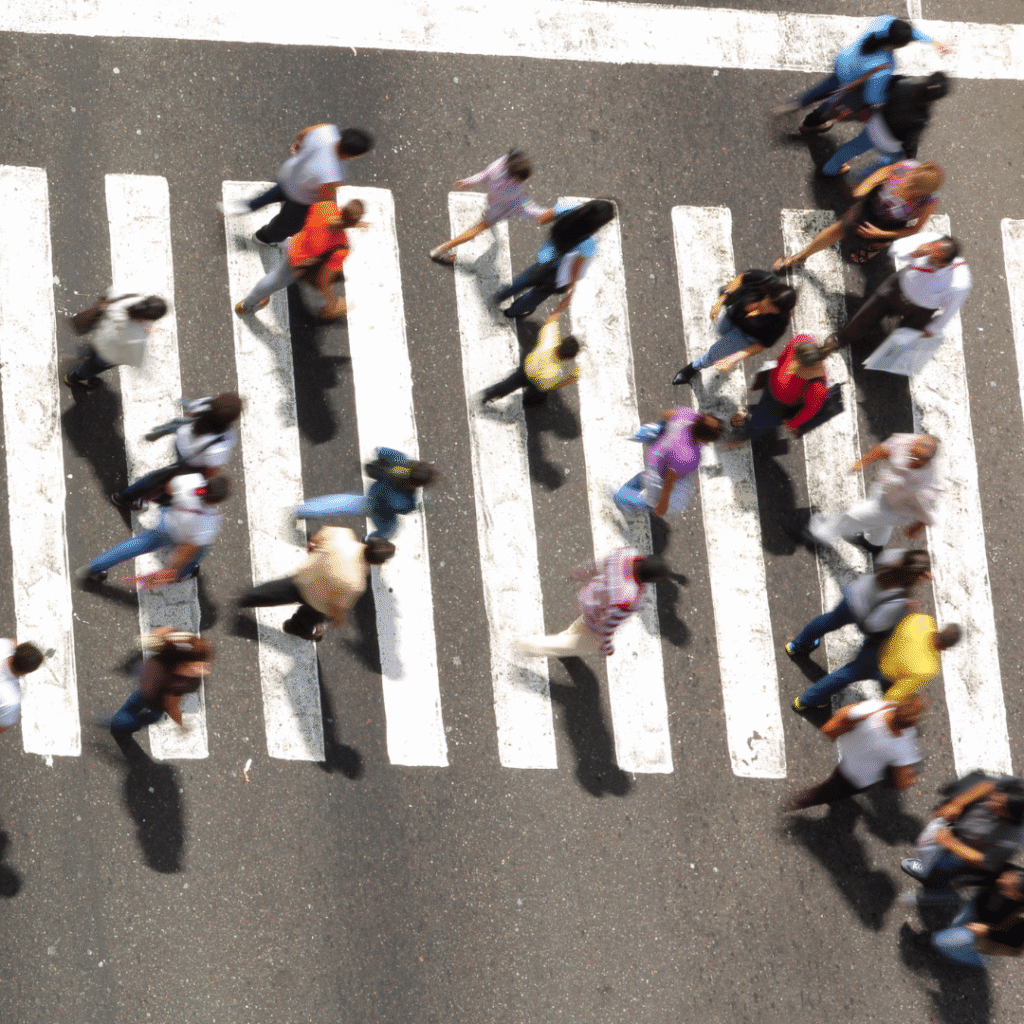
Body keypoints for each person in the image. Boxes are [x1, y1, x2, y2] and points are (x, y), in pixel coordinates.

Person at [788, 548, 931, 710]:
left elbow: (884, 560)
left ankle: (796, 646)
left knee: (828, 621)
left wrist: (915, 571)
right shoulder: (901, 597)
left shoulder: (894, 558)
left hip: (855, 595)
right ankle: (806, 701)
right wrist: (902, 613)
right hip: (864, 616)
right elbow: (875, 623)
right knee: (848, 673)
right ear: (917, 576)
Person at [775, 16, 949, 134]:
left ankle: (800, 102)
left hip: (843, 61)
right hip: (849, 79)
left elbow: (903, 31)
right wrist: (883, 101)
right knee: (832, 102)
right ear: (898, 45)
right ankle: (810, 124)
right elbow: (872, 96)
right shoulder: (885, 64)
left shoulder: (883, 22)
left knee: (825, 87)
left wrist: (931, 41)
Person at [218, 125, 373, 244]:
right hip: (300, 198)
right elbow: (323, 200)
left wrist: (299, 145)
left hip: (289, 175)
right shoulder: (335, 173)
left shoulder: (326, 131)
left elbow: (302, 134)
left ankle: (244, 206)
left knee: (270, 195)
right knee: (288, 225)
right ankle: (263, 238)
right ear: (350, 155)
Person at [773, 160, 942, 270]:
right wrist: (866, 186)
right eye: (911, 181)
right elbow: (884, 172)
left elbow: (915, 229)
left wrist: (881, 235)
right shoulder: (907, 167)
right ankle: (800, 257)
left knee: (875, 243)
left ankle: (873, 247)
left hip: (889, 225)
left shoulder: (929, 202)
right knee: (838, 229)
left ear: (926, 192)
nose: (909, 187)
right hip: (870, 206)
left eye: (915, 189)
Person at [237, 528, 395, 642]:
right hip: (317, 603)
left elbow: (316, 539)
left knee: (273, 592)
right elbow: (337, 606)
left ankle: (244, 598)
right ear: (378, 563)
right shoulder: (356, 583)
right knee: (307, 619)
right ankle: (294, 628)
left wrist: (313, 550)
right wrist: (338, 620)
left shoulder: (343, 535)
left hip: (304, 577)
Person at [77, 474, 231, 586]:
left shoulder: (192, 480)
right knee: (194, 558)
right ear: (217, 501)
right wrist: (174, 568)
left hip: (166, 524)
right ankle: (185, 573)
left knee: (136, 545)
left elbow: (169, 487)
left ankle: (93, 568)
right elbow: (187, 550)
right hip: (180, 538)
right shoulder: (210, 522)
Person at [829, 233, 971, 349]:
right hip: (897, 288)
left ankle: (887, 359)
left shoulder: (959, 282)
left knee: (903, 340)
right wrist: (913, 253)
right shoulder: (930, 240)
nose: (928, 257)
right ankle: (841, 339)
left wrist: (933, 328)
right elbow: (895, 249)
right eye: (930, 252)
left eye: (934, 259)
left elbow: (951, 309)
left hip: (920, 310)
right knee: (867, 314)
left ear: (946, 263)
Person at [518, 550, 669, 659]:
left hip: (586, 599)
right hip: (594, 622)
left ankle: (566, 637)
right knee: (570, 645)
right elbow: (607, 624)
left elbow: (596, 565)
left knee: (577, 628)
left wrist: (578, 573)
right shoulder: (630, 598)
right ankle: (528, 647)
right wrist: (605, 647)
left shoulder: (625, 555)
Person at [808, 433, 941, 555]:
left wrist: (916, 528)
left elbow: (927, 515)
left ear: (926, 461)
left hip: (895, 511)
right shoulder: (906, 442)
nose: (909, 457)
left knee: (853, 515)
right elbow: (884, 450)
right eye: (911, 451)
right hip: (883, 489)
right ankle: (874, 545)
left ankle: (823, 532)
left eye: (915, 458)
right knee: (880, 525)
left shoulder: (928, 486)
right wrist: (863, 462)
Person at [783, 696, 925, 810]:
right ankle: (798, 801)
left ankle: (813, 797)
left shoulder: (877, 708)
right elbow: (902, 782)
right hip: (859, 778)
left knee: (833, 782)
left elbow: (843, 714)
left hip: (847, 756)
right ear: (910, 724)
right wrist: (913, 778)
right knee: (825, 793)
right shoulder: (904, 746)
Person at [112, 392, 242, 512]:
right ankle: (126, 497)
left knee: (164, 478)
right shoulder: (221, 444)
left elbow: (191, 413)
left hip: (181, 440)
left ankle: (136, 495)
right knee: (161, 481)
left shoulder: (208, 403)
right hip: (189, 463)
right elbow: (211, 469)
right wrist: (204, 482)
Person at [901, 776, 1024, 901]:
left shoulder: (1011, 842)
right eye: (999, 797)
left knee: (943, 866)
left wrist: (951, 843)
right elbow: (988, 785)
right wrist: (957, 803)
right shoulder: (1014, 787)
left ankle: (932, 881)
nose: (993, 801)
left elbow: (982, 861)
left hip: (963, 852)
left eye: (1001, 807)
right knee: (931, 850)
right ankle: (929, 868)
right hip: (957, 826)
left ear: (1011, 818)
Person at [234, 199, 364, 317]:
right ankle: (246, 305)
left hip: (296, 242)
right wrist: (333, 303)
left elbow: (309, 223)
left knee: (284, 250)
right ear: (352, 223)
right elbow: (323, 281)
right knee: (274, 281)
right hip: (297, 263)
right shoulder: (341, 246)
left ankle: (273, 242)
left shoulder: (326, 207)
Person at [493, 199, 615, 319]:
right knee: (536, 295)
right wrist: (570, 290)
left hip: (545, 257)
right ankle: (512, 312)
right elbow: (574, 271)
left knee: (526, 278)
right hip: (556, 274)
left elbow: (542, 219)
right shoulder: (588, 245)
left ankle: (502, 295)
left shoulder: (568, 207)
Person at [673, 270, 796, 386]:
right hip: (733, 314)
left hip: (746, 336)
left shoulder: (779, 324)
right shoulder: (764, 280)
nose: (768, 310)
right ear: (768, 294)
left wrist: (732, 358)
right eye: (769, 303)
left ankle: (693, 368)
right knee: (720, 330)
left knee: (715, 353)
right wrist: (720, 301)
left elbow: (761, 346)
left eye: (775, 310)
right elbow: (741, 278)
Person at [429, 149, 552, 264]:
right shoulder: (511, 190)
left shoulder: (501, 164)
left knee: (486, 220)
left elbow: (483, 175)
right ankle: (445, 247)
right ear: (515, 177)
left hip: (494, 200)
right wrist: (547, 213)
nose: (522, 182)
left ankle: (445, 248)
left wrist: (467, 182)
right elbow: (521, 206)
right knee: (478, 229)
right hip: (499, 210)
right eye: (521, 180)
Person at [821, 72, 951, 177]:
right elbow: (909, 143)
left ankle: (830, 168)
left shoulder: (903, 84)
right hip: (888, 145)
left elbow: (881, 93)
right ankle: (859, 180)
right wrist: (911, 159)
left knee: (854, 146)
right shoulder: (922, 118)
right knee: (892, 160)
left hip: (874, 126)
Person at [294, 448, 437, 542]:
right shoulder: (407, 500)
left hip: (372, 493)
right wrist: (419, 504)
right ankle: (369, 544)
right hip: (380, 511)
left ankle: (303, 510)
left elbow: (381, 451)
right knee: (390, 531)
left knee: (339, 503)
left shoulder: (399, 460)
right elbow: (402, 508)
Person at [613, 408, 722, 517]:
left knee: (643, 478)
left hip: (656, 453)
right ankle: (623, 498)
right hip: (659, 471)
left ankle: (626, 491)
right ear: (704, 438)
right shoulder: (690, 457)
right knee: (652, 503)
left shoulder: (689, 415)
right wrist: (662, 504)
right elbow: (669, 482)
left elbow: (666, 414)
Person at [726, 334, 831, 447]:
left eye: (798, 366)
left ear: (810, 368)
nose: (792, 366)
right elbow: (783, 357)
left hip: (780, 407)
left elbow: (809, 411)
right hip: (771, 387)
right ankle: (754, 417)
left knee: (759, 423)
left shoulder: (817, 387)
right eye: (794, 358)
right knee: (761, 407)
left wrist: (792, 424)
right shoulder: (801, 340)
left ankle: (746, 434)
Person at [105, 628, 213, 736]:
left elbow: (163, 634)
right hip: (154, 695)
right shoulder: (183, 682)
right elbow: (171, 705)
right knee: (152, 717)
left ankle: (118, 718)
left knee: (134, 702)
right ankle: (118, 724)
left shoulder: (177, 646)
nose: (205, 669)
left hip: (146, 673)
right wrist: (181, 724)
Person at [63, 293, 167, 391]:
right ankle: (73, 378)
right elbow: (133, 358)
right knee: (92, 367)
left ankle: (84, 354)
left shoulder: (130, 297)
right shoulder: (138, 336)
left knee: (92, 350)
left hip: (99, 336)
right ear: (147, 318)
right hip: (107, 355)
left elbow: (107, 297)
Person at [923, 868, 1024, 967]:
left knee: (938, 941)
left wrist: (987, 931)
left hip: (989, 933)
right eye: (1004, 878)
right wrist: (965, 882)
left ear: (1017, 895)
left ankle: (978, 959)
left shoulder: (1020, 919)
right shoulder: (1014, 874)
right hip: (978, 907)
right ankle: (952, 941)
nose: (999, 881)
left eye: (1004, 887)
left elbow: (1014, 941)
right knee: (953, 925)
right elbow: (989, 875)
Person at [480, 311, 580, 406]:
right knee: (538, 395)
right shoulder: (558, 373)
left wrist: (563, 303)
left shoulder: (549, 338)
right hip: (537, 382)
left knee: (509, 384)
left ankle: (489, 394)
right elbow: (549, 386)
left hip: (526, 369)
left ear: (562, 340)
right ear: (568, 359)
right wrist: (571, 379)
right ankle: (529, 403)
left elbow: (552, 317)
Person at [880, 614, 961, 700]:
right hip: (886, 677)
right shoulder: (929, 669)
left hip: (878, 650)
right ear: (945, 648)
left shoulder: (923, 620)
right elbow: (900, 690)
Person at [0, 641, 44, 735]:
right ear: (27, 672)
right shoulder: (11, 701)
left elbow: (12, 642)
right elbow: (1, 728)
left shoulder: (3, 644)